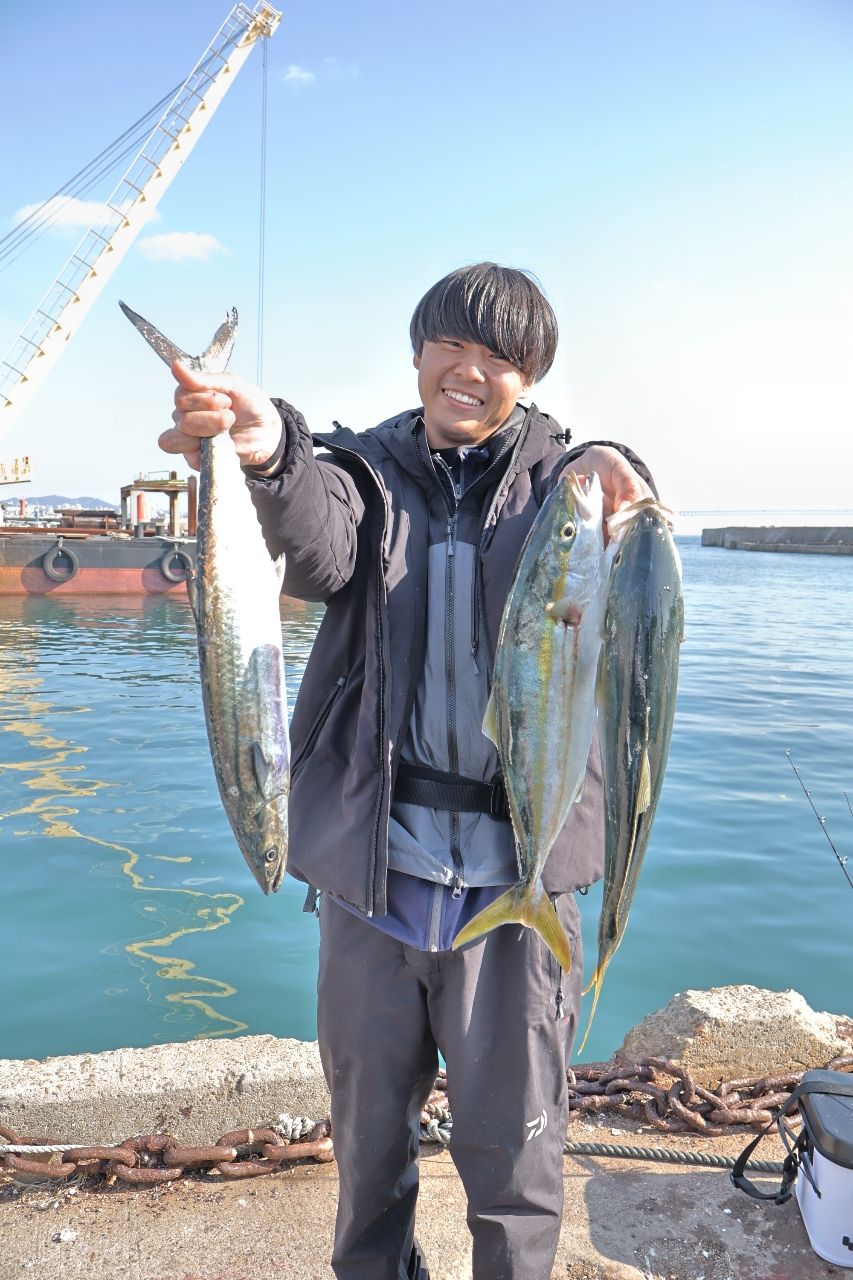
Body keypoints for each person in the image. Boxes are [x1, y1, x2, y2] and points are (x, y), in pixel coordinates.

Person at [160, 263, 656, 1280]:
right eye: (451, 346)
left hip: (516, 891)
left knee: (515, 1157)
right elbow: (316, 544)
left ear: (530, 376)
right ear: (418, 352)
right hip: (375, 886)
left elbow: (610, 490)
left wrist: (618, 468)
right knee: (367, 1150)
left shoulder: (560, 488)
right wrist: (265, 447)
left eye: (500, 357)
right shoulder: (367, 473)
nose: (469, 370)